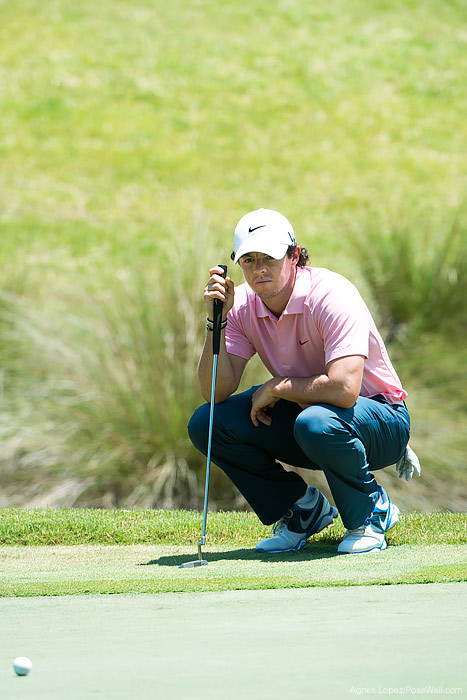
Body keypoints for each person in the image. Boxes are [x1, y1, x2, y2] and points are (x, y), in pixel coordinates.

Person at [188, 208, 416, 554]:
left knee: (317, 422)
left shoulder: (330, 294)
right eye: (248, 260)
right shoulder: (243, 307)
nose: (259, 269)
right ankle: (301, 511)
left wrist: (279, 386)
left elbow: (344, 389)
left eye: (269, 258)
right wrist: (215, 322)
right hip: (310, 421)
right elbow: (213, 391)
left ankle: (372, 512)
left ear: (294, 255)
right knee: (208, 422)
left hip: (381, 419)